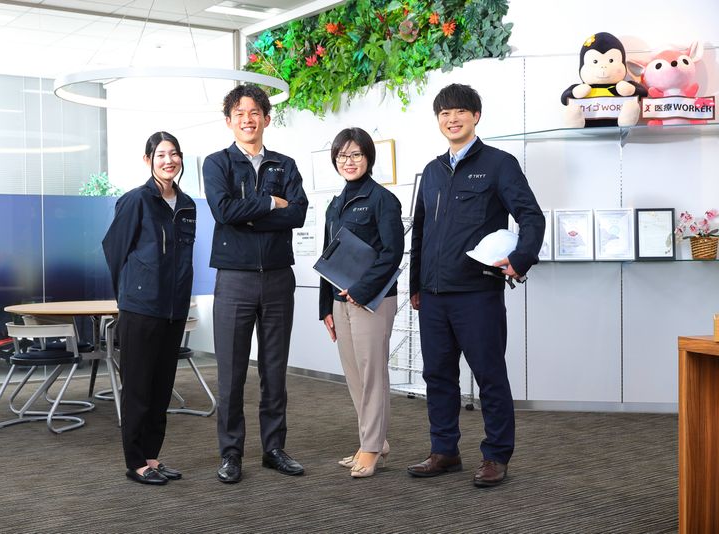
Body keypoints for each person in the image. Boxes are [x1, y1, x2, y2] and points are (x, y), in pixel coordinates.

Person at [407, 84, 545, 487]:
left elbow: (531, 216)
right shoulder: (432, 171)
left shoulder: (499, 164)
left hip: (477, 293)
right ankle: (444, 450)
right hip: (433, 295)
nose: (452, 119)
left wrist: (521, 259)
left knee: (489, 376)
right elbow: (420, 233)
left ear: (476, 116)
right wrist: (416, 284)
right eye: (444, 113)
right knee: (437, 376)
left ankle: (496, 455)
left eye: (460, 112)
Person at [203, 84, 309, 484]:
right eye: (239, 114)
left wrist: (251, 215)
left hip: (279, 277)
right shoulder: (217, 163)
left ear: (266, 118)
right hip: (234, 279)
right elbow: (223, 211)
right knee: (231, 373)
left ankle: (274, 448)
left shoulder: (285, 164)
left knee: (274, 369)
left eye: (254, 113)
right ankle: (231, 453)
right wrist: (269, 203)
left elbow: (297, 214)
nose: (247, 120)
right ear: (229, 121)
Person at [102, 131, 196, 486]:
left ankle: (153, 457)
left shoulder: (187, 205)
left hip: (174, 309)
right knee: (138, 388)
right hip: (141, 309)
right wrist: (131, 293)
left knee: (160, 389)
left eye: (174, 154)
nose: (169, 161)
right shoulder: (136, 201)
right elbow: (114, 250)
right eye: (161, 155)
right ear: (148, 160)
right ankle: (135, 462)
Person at [319, 127, 404, 478]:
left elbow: (392, 253)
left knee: (372, 375)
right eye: (342, 156)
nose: (349, 161)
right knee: (355, 376)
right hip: (341, 301)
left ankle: (371, 447)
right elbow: (328, 256)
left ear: (368, 157)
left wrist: (362, 290)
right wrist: (325, 308)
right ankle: (373, 440)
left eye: (356, 154)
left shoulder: (383, 200)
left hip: (372, 301)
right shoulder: (335, 204)